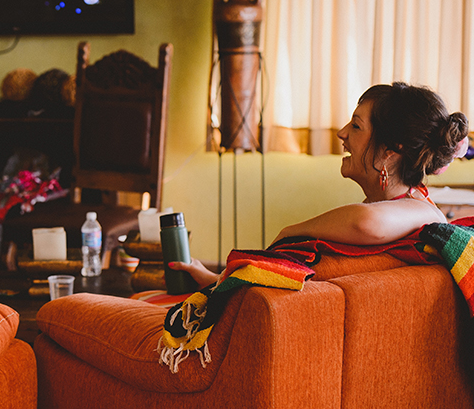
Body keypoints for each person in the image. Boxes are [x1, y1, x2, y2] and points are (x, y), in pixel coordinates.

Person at [173, 82, 470, 288]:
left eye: (356, 126)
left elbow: (367, 222)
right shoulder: (410, 206)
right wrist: (218, 279)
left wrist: (291, 232)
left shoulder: (423, 215)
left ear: (389, 154)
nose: (342, 133)